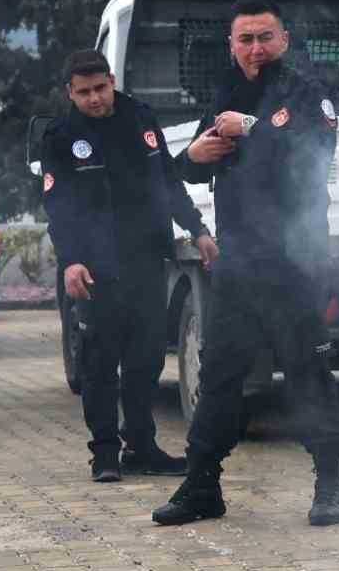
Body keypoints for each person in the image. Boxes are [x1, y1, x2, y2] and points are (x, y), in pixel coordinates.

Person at [152, 0, 339, 527]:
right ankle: (202, 488)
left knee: (308, 372)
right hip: (239, 262)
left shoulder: (307, 93)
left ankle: (330, 483)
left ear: (283, 40)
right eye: (246, 39)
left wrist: (255, 129)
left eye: (265, 37)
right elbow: (194, 166)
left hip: (295, 262)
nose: (256, 48)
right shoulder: (227, 91)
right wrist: (191, 158)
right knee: (218, 376)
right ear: (231, 44)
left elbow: (313, 162)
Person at [42, 50, 220, 482]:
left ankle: (142, 447)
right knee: (100, 363)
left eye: (101, 88)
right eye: (84, 92)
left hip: (145, 259)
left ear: (112, 80)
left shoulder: (140, 118)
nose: (95, 99)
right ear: (71, 93)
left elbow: (167, 183)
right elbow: (57, 207)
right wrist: (71, 263)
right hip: (96, 268)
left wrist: (198, 230)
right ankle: (104, 454)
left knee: (145, 359)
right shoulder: (61, 135)